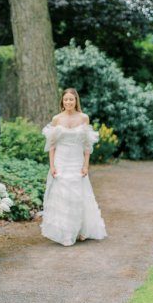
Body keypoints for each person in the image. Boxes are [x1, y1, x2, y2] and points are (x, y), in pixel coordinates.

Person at [40, 88, 107, 246]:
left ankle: (82, 229)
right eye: (66, 99)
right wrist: (52, 165)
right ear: (62, 101)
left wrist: (86, 165)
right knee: (63, 197)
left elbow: (87, 145)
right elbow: (52, 145)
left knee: (79, 196)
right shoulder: (56, 119)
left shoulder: (84, 118)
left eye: (71, 99)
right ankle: (66, 233)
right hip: (61, 161)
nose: (68, 102)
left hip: (77, 161)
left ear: (76, 101)